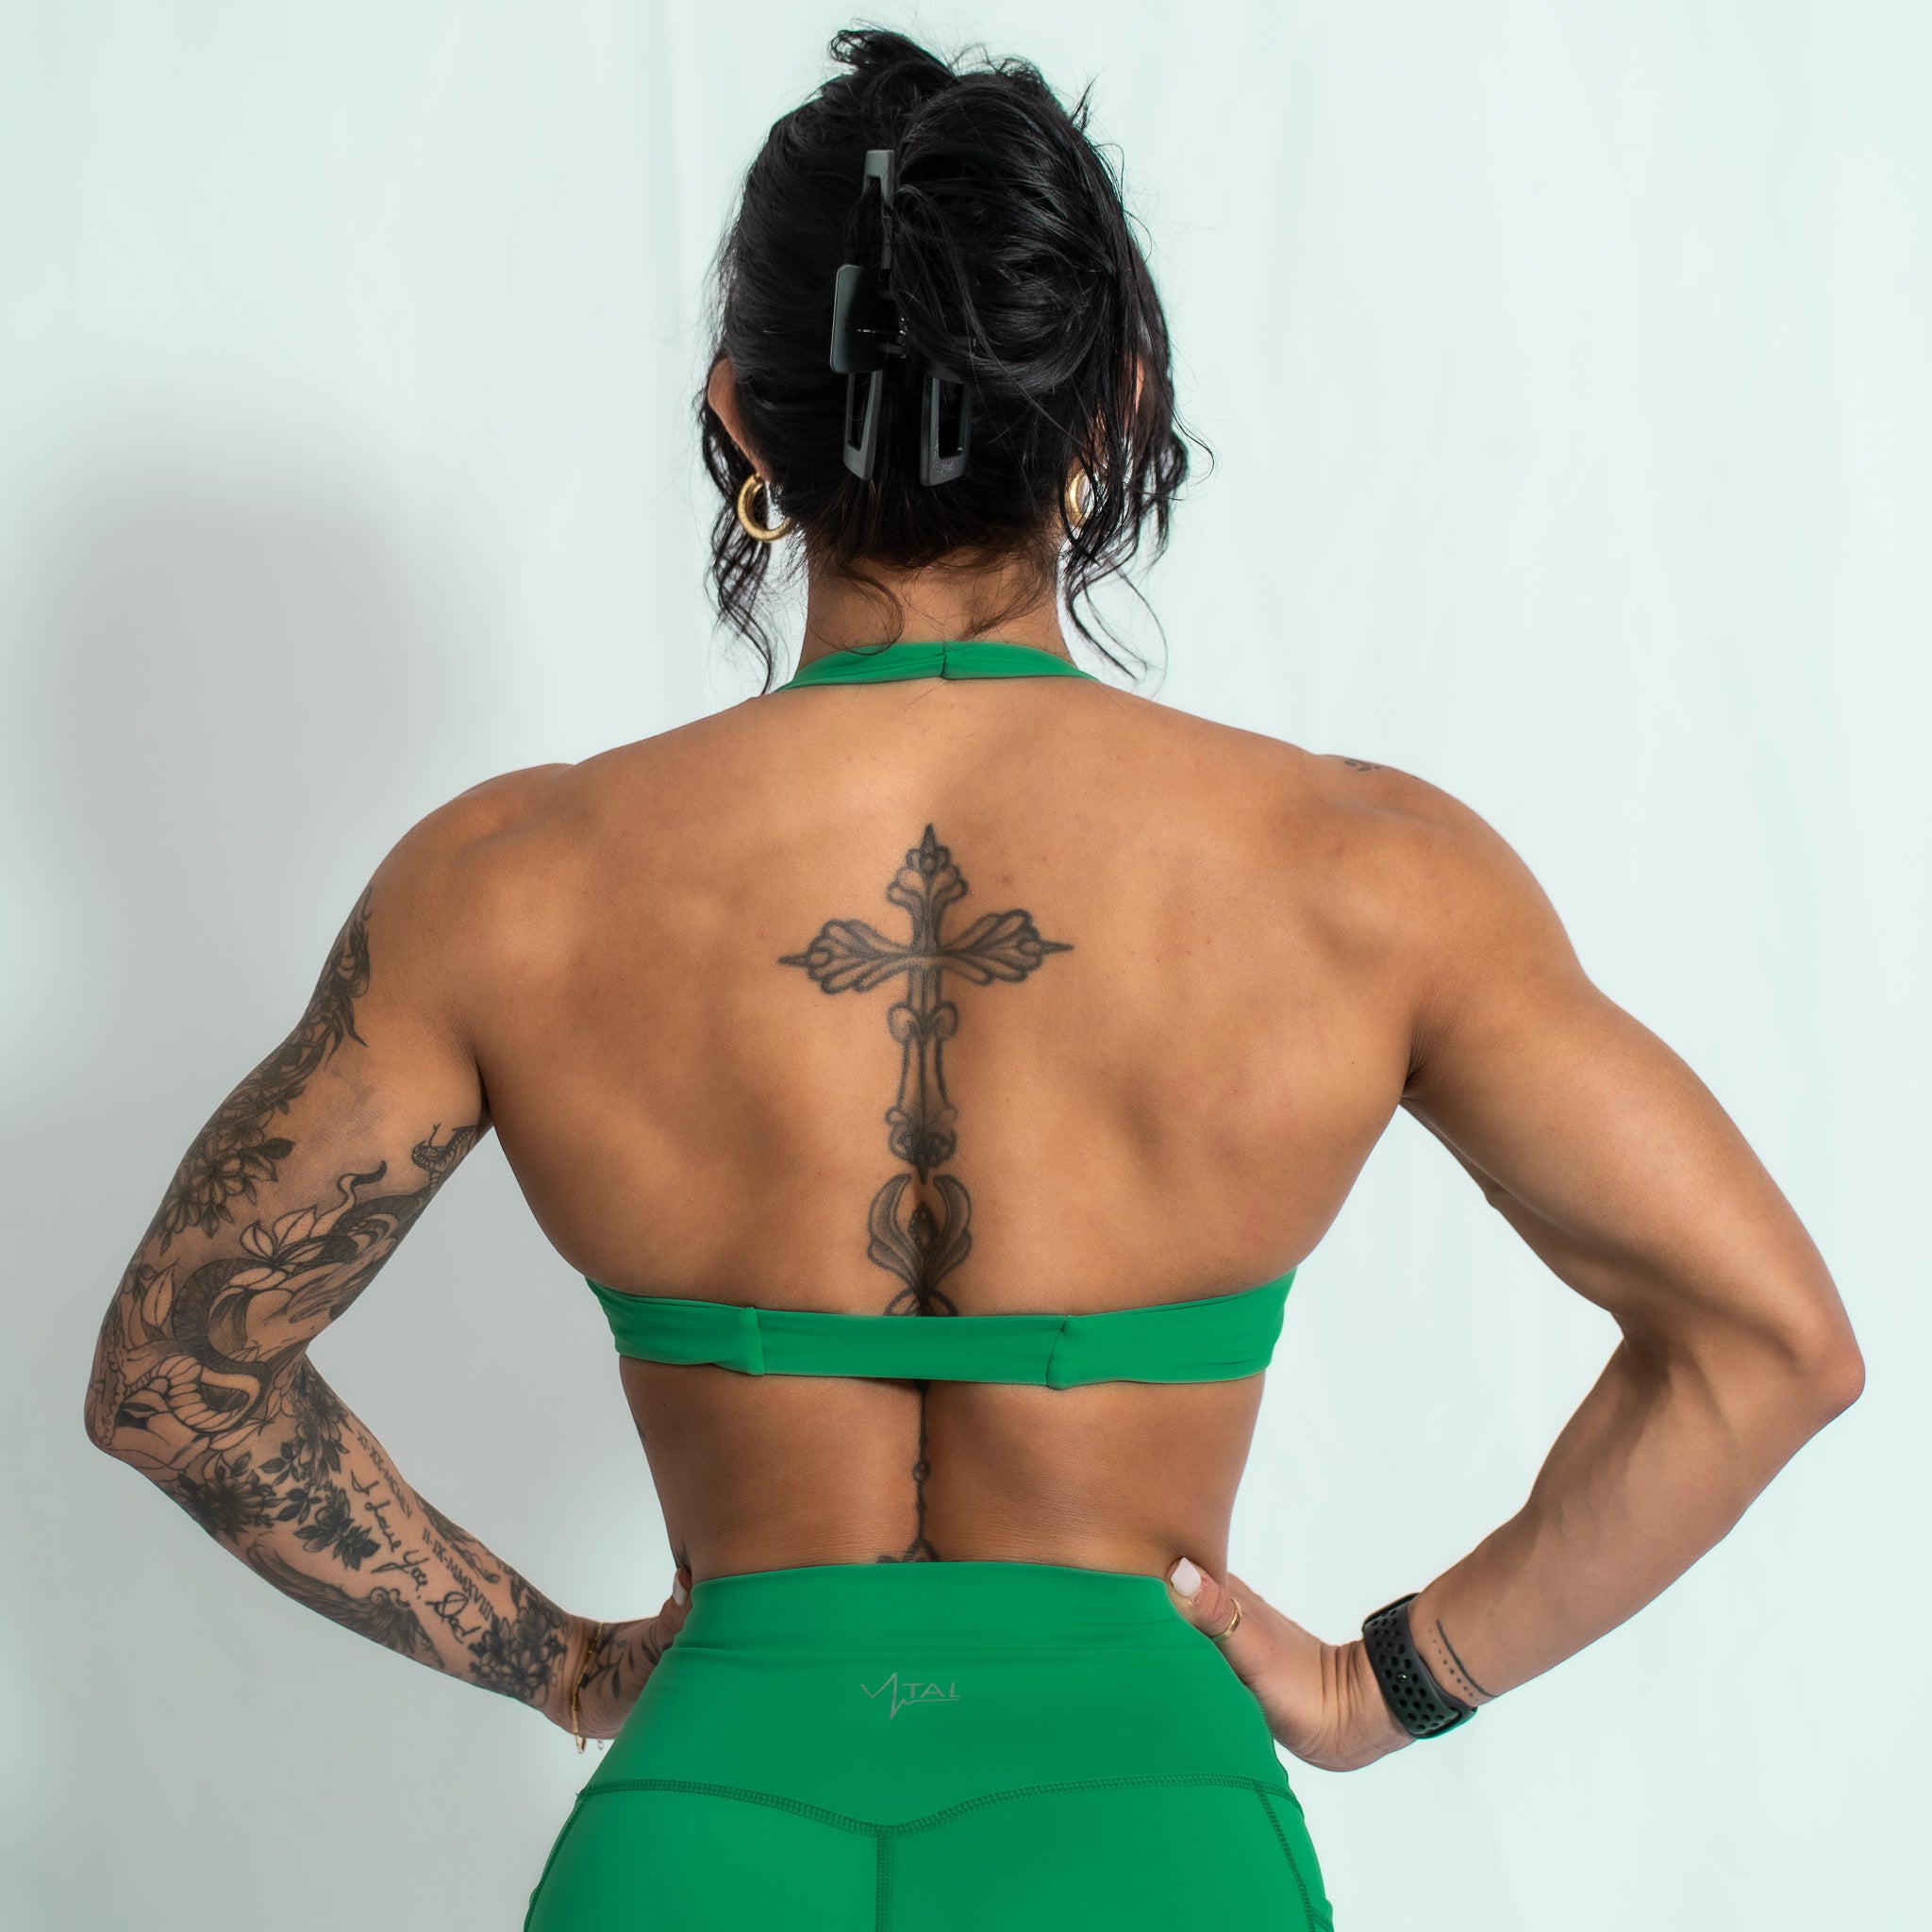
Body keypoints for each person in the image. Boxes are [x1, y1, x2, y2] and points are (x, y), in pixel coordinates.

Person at [83, 25, 1863, 1931]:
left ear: (744, 416)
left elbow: (177, 1374)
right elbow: (1767, 1345)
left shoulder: (510, 886)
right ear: (1113, 401)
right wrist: (1386, 1682)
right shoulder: (1366, 875)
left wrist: (568, 1663)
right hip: (1149, 1835)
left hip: (708, 1830)